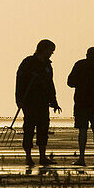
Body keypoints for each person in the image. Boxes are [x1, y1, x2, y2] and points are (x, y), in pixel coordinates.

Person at [15, 39, 60, 167]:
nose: (51, 53)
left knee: (43, 129)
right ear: (43, 49)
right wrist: (19, 100)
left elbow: (50, 84)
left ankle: (42, 156)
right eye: (50, 50)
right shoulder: (28, 63)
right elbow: (19, 81)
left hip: (43, 102)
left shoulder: (47, 65)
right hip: (29, 102)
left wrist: (54, 101)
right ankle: (28, 157)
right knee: (29, 128)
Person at [66, 47, 94, 166]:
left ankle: (82, 158)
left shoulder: (80, 65)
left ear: (87, 55)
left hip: (82, 103)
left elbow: (70, 82)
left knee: (82, 131)